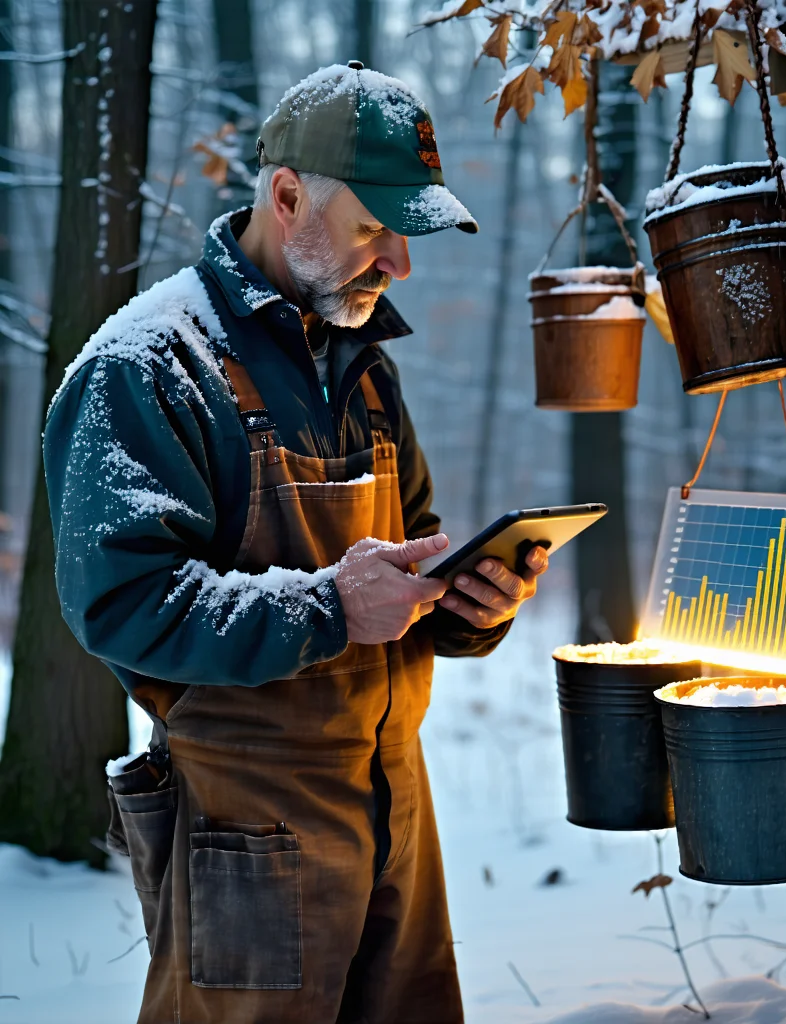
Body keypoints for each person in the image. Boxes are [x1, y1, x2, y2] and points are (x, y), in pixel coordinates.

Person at [44, 62, 547, 1024]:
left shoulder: (359, 365)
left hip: (398, 810)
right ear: (285, 197)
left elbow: (413, 569)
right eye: (375, 229)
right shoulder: (146, 366)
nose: (399, 262)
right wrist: (327, 605)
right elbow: (118, 604)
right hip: (249, 832)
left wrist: (471, 605)